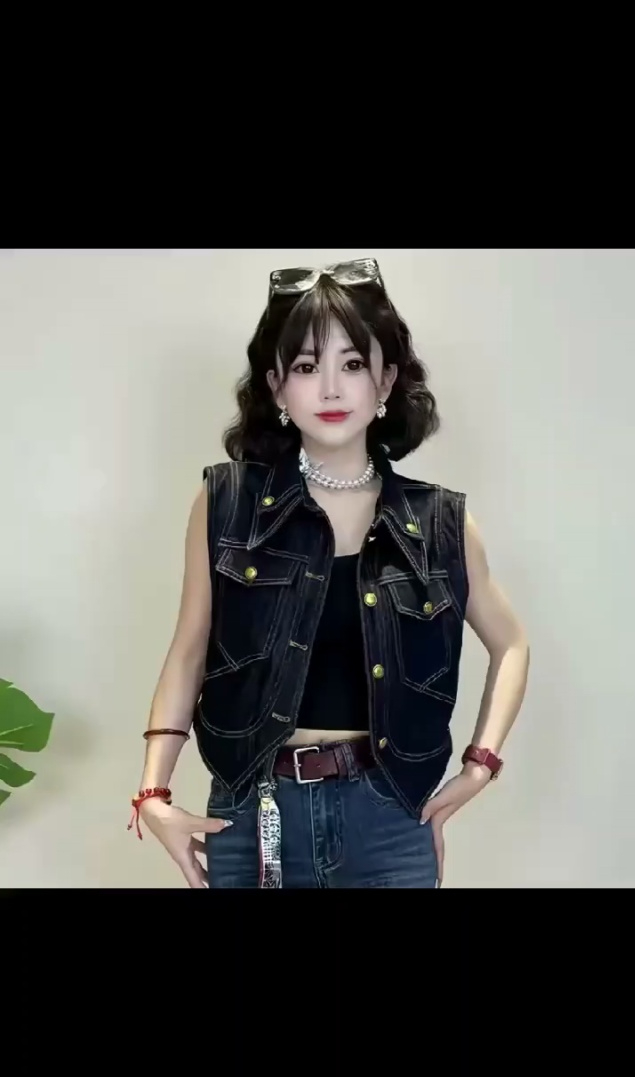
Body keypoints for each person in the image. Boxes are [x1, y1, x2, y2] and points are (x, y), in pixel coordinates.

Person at [129, 258, 530, 888]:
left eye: (353, 364)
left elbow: (512, 643)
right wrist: (153, 791)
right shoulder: (227, 502)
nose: (332, 390)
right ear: (276, 386)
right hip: (252, 811)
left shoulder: (441, 522)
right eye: (306, 367)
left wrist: (480, 764)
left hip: (389, 819)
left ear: (386, 379)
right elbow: (189, 648)